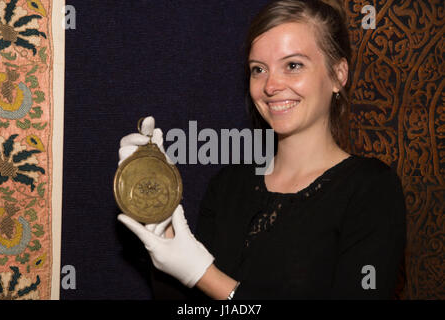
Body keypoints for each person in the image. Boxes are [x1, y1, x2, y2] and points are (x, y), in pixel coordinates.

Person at [117, 0, 406, 300]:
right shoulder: (228, 184)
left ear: (338, 74)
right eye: (259, 69)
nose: (270, 85)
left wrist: (206, 276)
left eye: (293, 65)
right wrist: (160, 219)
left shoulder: (371, 190)